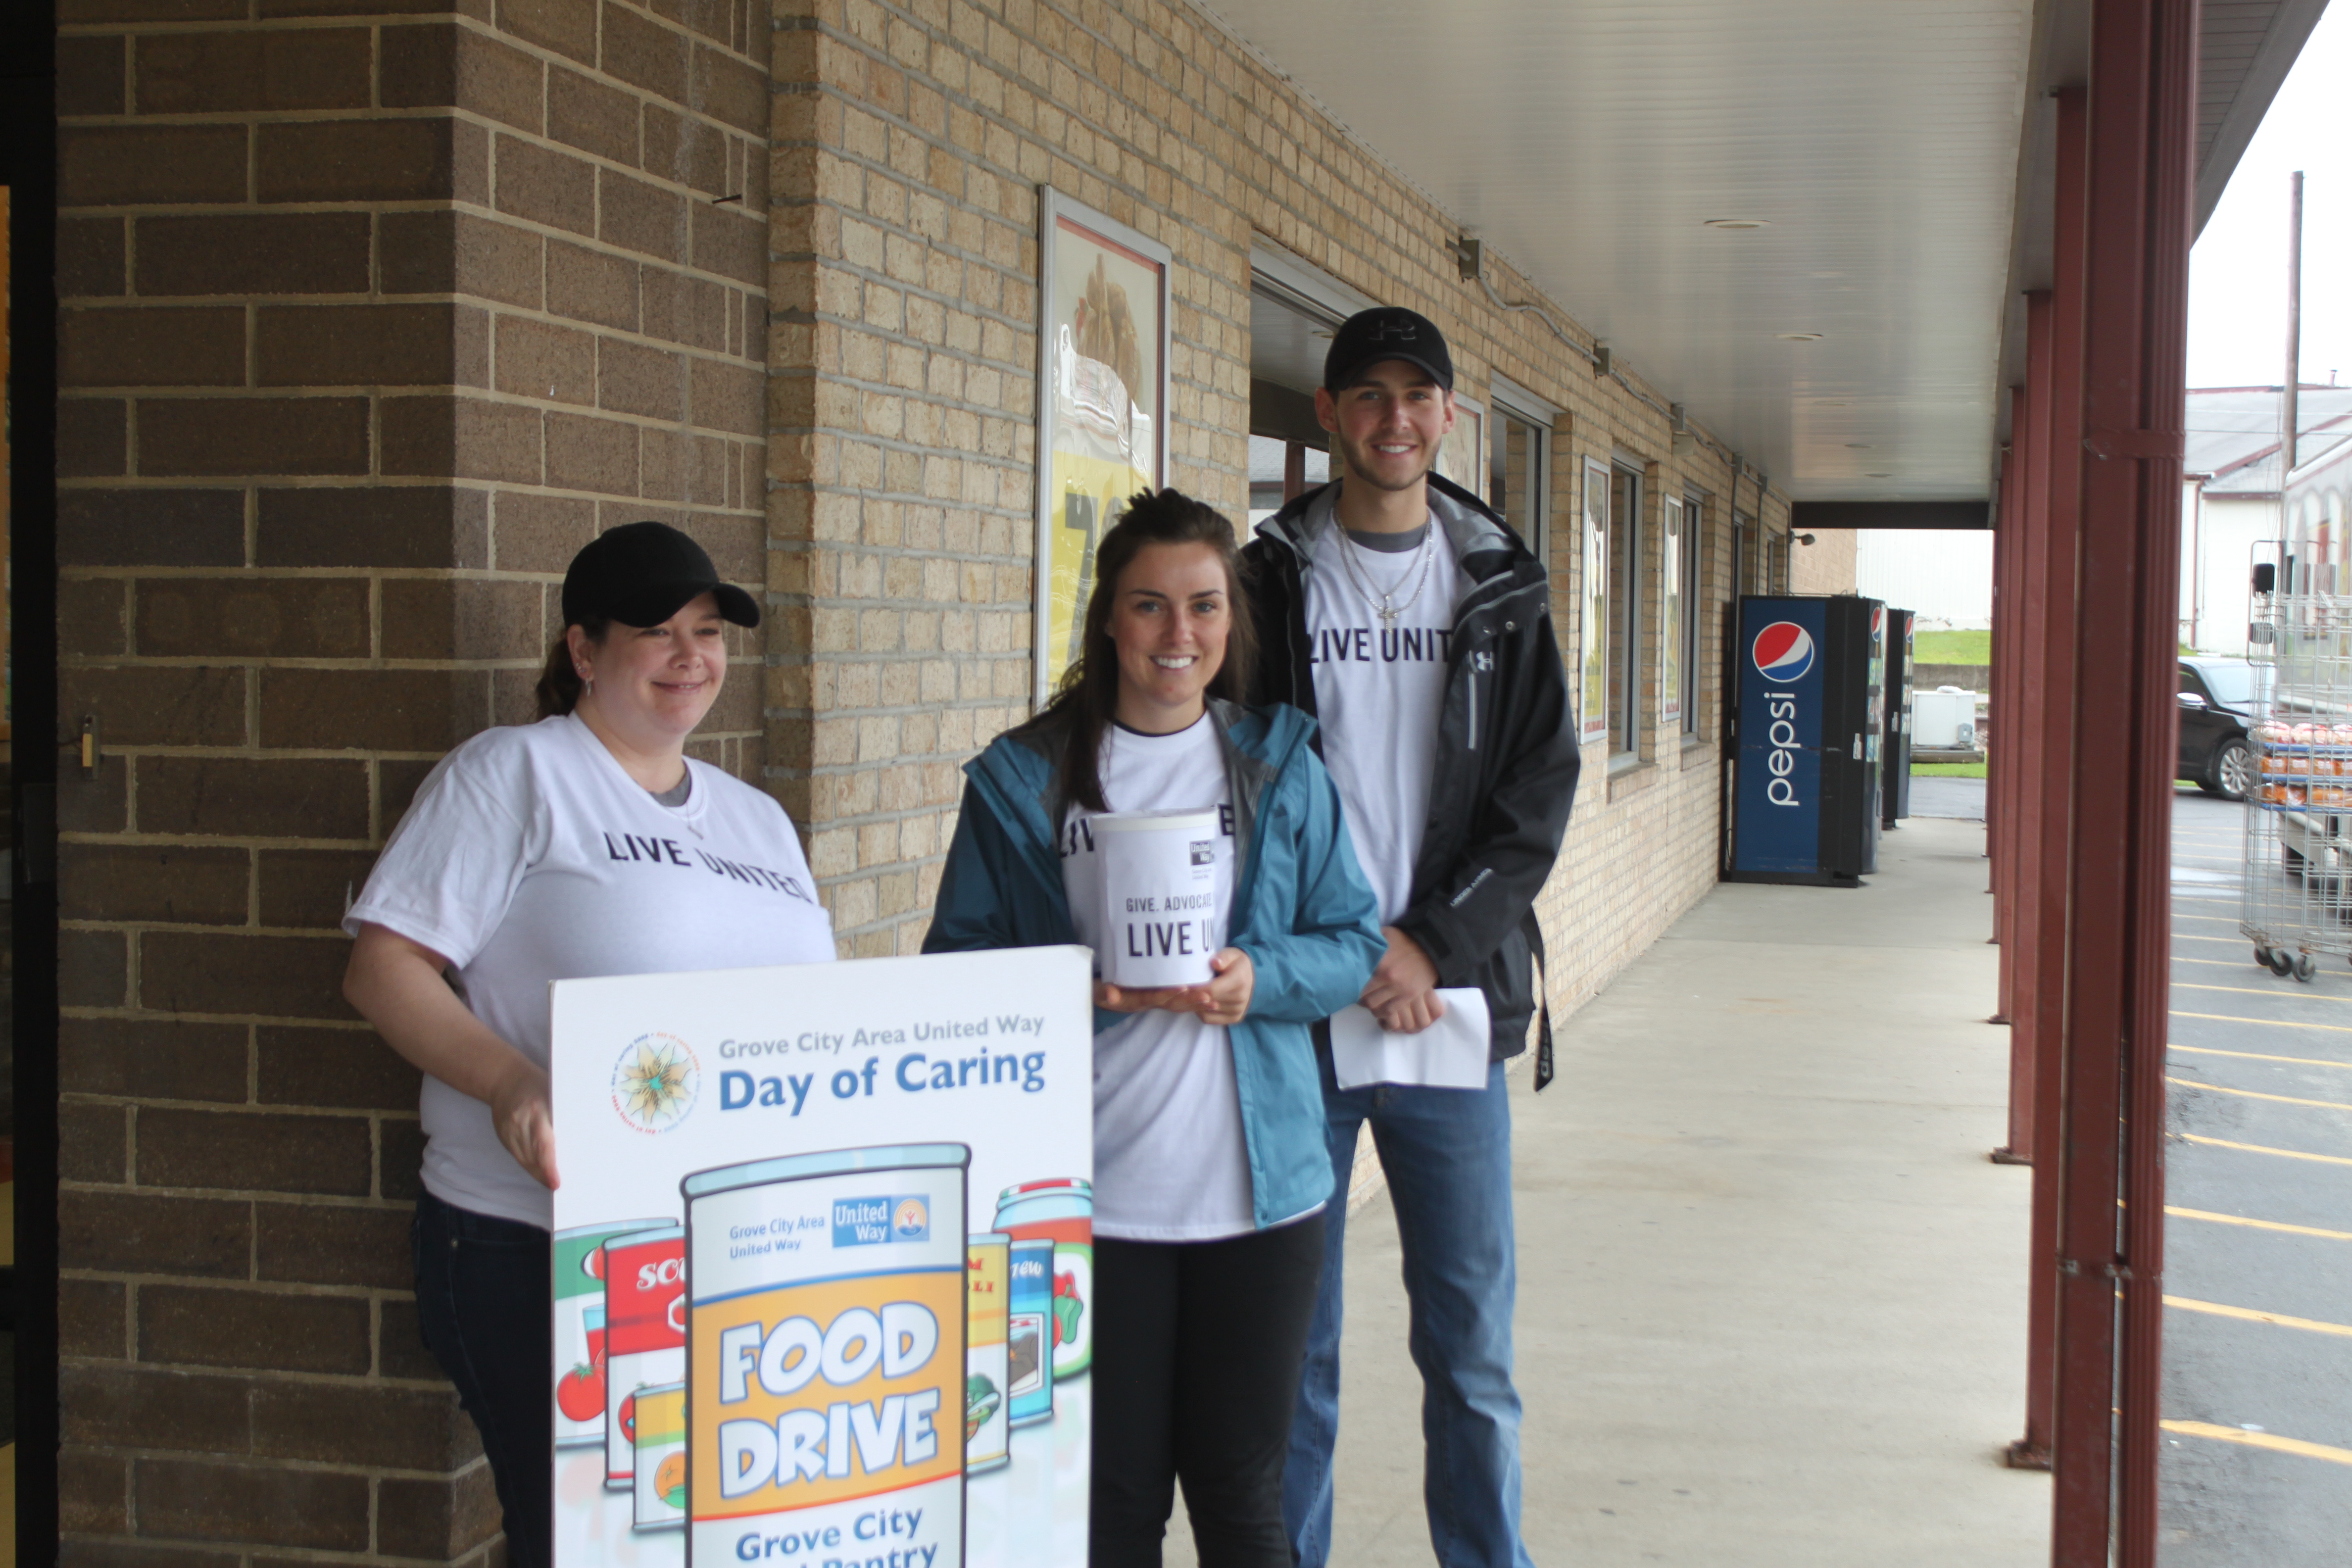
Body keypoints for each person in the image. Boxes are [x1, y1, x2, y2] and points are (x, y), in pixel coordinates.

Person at [341, 522, 835, 1567]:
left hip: (724, 1249)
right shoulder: (516, 776)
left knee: (696, 1540)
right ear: (582, 650)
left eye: (707, 631)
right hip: (536, 1246)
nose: (691, 656)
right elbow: (383, 971)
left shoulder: (757, 822)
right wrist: (511, 1081)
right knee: (587, 1544)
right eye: (656, 631)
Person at [923, 489, 1384, 1568]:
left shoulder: (1279, 764)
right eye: (1149, 607)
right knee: (1109, 1507)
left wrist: (1258, 979)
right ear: (1109, 621)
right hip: (1090, 1201)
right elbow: (956, 968)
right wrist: (1066, 984)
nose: (1180, 636)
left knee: (1242, 1499)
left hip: (1261, 1200)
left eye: (1204, 607)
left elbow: (1353, 942)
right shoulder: (1021, 780)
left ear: (1233, 621)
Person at [1247, 308, 1580, 1568]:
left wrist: (1431, 946)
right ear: (1329, 413)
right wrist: (1335, 953)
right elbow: (1224, 779)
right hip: (1299, 1018)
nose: (1394, 418)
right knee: (1294, 1357)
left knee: (1471, 1356)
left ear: (1449, 418)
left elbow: (1538, 789)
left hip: (1447, 1007)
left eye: (1417, 396)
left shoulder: (1499, 582)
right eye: (1367, 395)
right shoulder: (1269, 576)